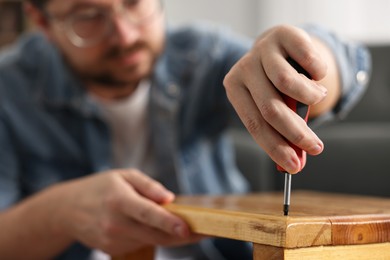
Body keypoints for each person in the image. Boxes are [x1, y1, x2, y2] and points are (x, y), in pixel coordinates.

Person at [0, 0, 371, 259]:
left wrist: (305, 59)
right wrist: (60, 212)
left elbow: (345, 62)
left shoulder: (201, 55)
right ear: (43, 21)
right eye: (87, 16)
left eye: (134, 2)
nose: (125, 34)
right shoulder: (8, 91)